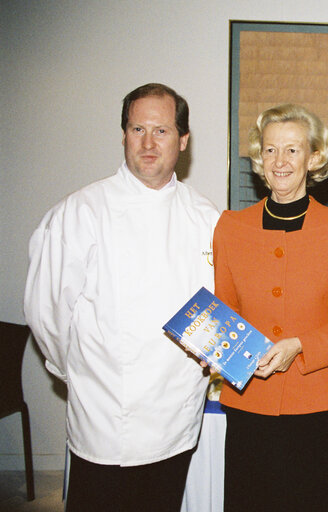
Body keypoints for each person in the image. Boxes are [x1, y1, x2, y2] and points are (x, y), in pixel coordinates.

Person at [24, 83, 220, 511]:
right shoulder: (80, 213)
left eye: (162, 131)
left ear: (183, 140)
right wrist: (80, 375)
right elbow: (47, 316)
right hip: (105, 417)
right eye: (137, 129)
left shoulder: (207, 219)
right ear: (124, 135)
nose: (148, 143)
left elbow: (215, 307)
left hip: (175, 416)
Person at [213, 104, 328, 512]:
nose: (280, 161)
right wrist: (210, 347)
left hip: (319, 409)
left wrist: (300, 345)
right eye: (270, 150)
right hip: (250, 402)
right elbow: (223, 316)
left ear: (315, 158)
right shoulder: (230, 227)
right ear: (258, 159)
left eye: (292, 150)